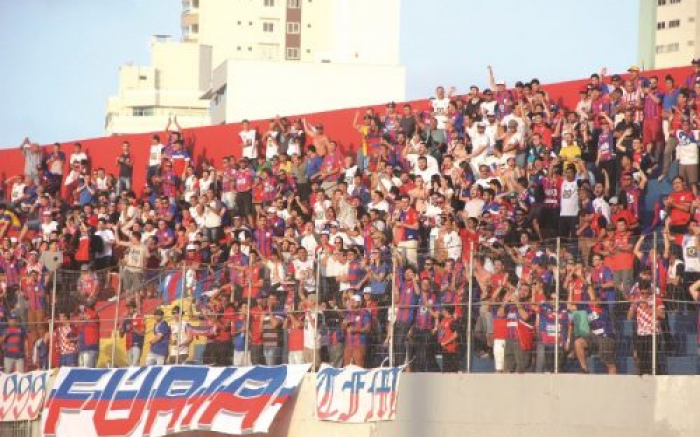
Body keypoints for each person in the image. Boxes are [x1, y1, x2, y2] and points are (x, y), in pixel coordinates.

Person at [627, 280, 665, 375]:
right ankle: (644, 380)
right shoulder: (637, 300)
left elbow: (662, 315)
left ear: (650, 290)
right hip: (641, 334)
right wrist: (633, 305)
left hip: (653, 333)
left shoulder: (656, 299)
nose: (644, 295)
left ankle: (657, 377)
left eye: (646, 293)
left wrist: (649, 306)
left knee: (653, 360)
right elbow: (629, 317)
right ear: (639, 291)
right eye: (642, 293)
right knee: (642, 360)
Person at [119, 301, 145, 367]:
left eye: (130, 308)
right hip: (128, 346)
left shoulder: (140, 317)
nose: (128, 310)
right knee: (130, 366)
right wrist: (120, 329)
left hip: (137, 345)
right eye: (127, 308)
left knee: (135, 365)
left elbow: (142, 333)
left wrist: (133, 329)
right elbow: (121, 336)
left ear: (135, 309)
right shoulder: (126, 320)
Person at [77, 303, 100, 368]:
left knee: (89, 370)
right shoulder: (82, 324)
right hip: (82, 350)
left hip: (90, 349)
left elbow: (93, 314)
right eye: (81, 313)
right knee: (81, 371)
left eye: (83, 313)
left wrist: (84, 307)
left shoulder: (94, 319)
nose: (81, 315)